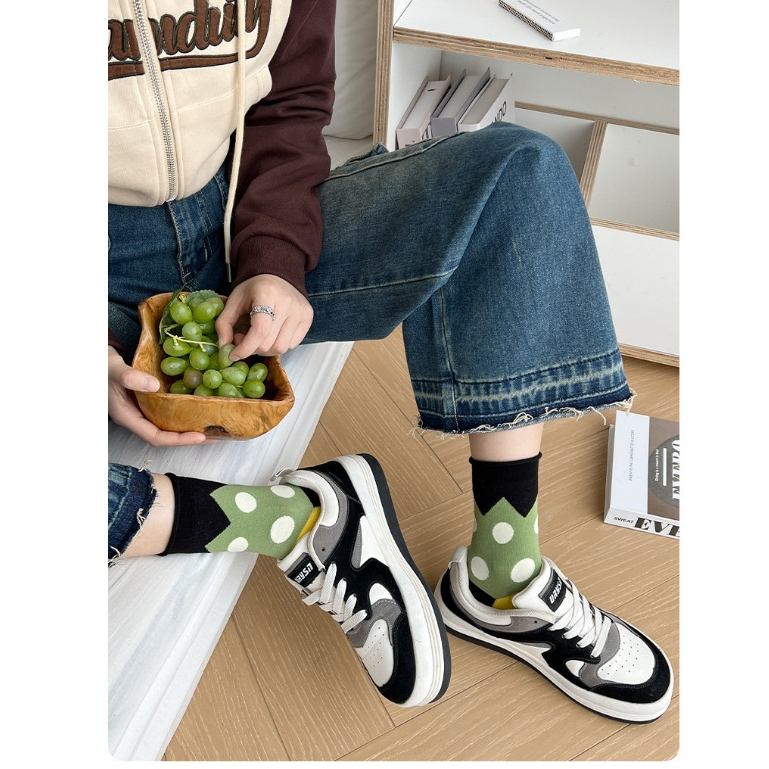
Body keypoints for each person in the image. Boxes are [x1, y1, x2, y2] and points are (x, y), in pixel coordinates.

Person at [108, 0, 673, 721]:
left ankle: (502, 579)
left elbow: (289, 100)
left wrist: (275, 257)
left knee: (518, 169)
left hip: (242, 218)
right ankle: (297, 520)